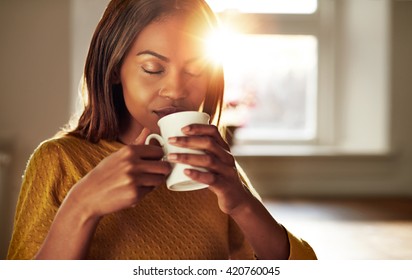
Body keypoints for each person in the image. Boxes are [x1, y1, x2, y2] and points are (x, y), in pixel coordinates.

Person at [7, 0, 316, 260]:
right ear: (115, 68)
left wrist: (241, 202)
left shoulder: (212, 165)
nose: (176, 89)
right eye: (153, 69)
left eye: (196, 70)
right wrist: (82, 206)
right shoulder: (58, 161)